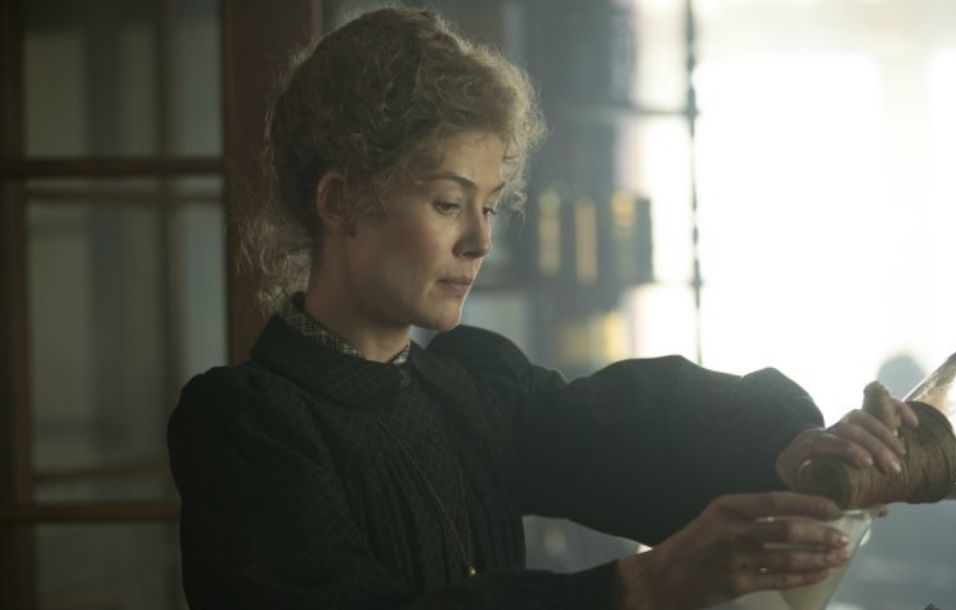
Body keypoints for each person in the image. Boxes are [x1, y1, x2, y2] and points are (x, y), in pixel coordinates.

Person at [167, 8, 917, 610]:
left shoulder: (468, 386)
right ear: (340, 201)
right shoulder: (243, 425)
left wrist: (794, 445)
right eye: (448, 203)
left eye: (490, 206)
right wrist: (640, 587)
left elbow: (628, 431)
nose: (480, 240)